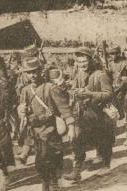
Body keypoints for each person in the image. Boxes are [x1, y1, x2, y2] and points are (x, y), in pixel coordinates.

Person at [18, 57, 75, 190]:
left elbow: (64, 108)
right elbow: (22, 109)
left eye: (35, 71)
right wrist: (21, 110)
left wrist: (71, 127)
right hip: (35, 132)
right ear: (25, 74)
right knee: (40, 163)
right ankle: (45, 184)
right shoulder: (25, 90)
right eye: (29, 72)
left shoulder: (50, 88)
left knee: (52, 159)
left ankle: (54, 184)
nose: (32, 75)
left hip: (51, 130)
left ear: (41, 71)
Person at [63, 46, 114, 181]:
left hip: (100, 114)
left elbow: (109, 94)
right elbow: (73, 89)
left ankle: (106, 166)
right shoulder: (78, 75)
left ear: (91, 60)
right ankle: (77, 171)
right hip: (83, 114)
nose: (82, 64)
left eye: (84, 61)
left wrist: (90, 94)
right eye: (79, 62)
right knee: (78, 141)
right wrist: (73, 92)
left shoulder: (100, 74)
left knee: (104, 141)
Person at [107, 45, 127, 146]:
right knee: (113, 114)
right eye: (111, 54)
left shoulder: (126, 63)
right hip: (115, 92)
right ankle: (112, 138)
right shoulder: (110, 64)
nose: (112, 56)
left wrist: (124, 79)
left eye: (114, 53)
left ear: (119, 53)